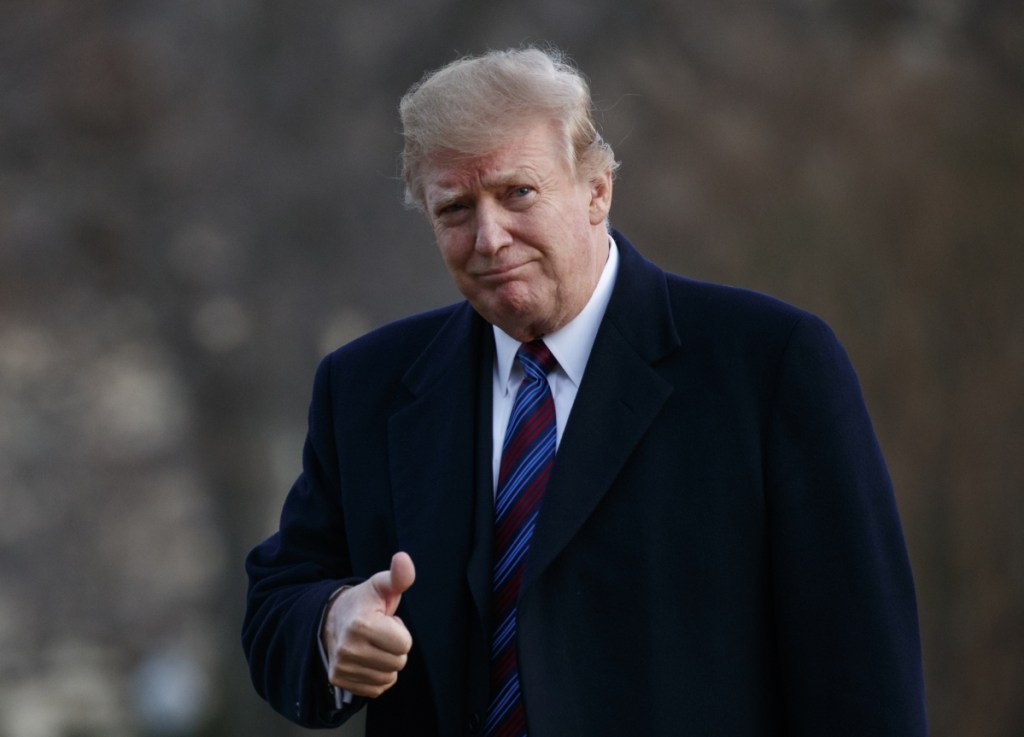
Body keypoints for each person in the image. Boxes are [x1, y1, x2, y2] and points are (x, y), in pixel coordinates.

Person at [242, 47, 927, 736]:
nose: (489, 236)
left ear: (597, 189)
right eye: (454, 207)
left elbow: (861, 673)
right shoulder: (366, 388)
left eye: (518, 193)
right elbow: (277, 600)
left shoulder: (769, 367)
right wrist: (332, 623)